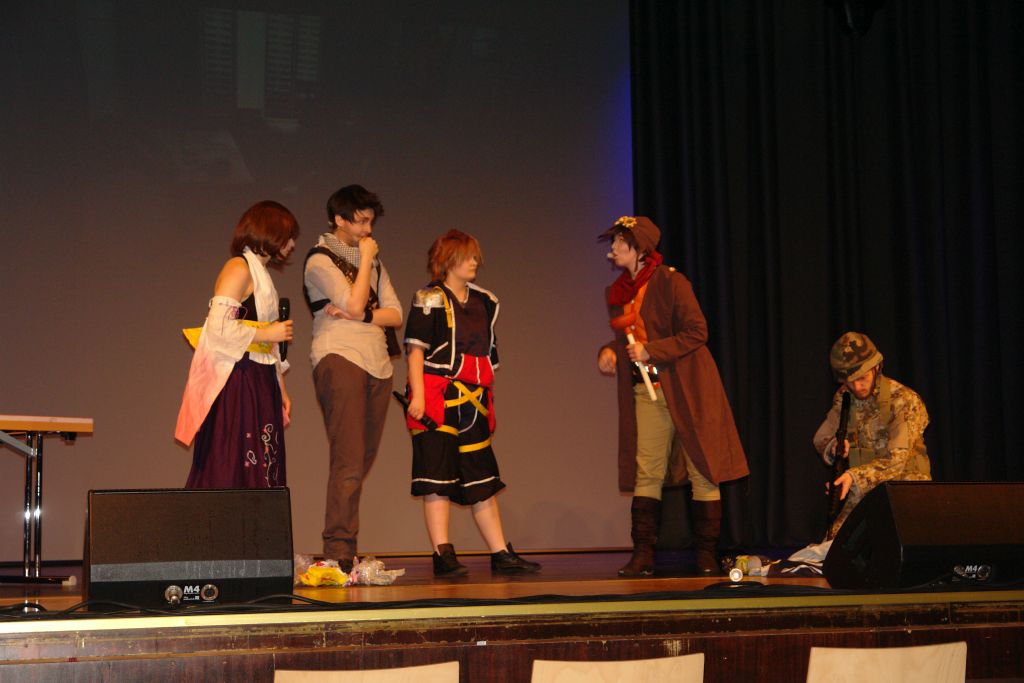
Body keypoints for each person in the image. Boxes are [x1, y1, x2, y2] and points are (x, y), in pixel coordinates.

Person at [597, 216, 749, 577]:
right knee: (647, 469)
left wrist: (652, 350)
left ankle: (706, 554)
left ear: (639, 249)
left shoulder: (671, 282)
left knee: (703, 468)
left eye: (619, 242)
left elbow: (697, 332)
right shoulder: (618, 292)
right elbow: (630, 337)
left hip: (688, 387)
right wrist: (610, 351)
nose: (612, 249)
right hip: (647, 390)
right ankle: (643, 555)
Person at [402, 229, 540, 577]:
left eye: (476, 256)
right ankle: (442, 553)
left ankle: (500, 552)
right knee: (437, 478)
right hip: (437, 397)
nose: (474, 262)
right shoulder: (429, 299)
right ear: (448, 261)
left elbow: (490, 357)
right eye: (467, 256)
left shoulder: (485, 302)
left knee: (482, 478)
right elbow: (415, 351)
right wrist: (418, 395)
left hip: (474, 400)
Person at [303, 184, 403, 571]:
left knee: (362, 459)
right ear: (339, 220)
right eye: (360, 221)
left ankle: (344, 547)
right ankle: (339, 551)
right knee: (348, 460)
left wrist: (361, 315)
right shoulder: (320, 260)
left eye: (371, 222)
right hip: (340, 356)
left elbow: (394, 314)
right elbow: (357, 300)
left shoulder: (373, 264)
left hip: (378, 364)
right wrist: (366, 263)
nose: (367, 230)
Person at [175, 200, 297, 488]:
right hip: (239, 378)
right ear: (269, 232)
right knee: (233, 461)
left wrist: (280, 386)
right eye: (287, 236)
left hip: (258, 378)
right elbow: (218, 327)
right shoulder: (239, 268)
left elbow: (266, 341)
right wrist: (268, 334)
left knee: (262, 463)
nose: (292, 244)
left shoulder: (260, 274)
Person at [814, 331, 931, 540]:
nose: (857, 387)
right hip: (864, 491)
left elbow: (897, 461)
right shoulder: (845, 397)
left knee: (896, 547)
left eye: (862, 378)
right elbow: (820, 438)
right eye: (850, 381)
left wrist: (853, 477)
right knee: (835, 547)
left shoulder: (904, 400)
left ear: (877, 367)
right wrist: (834, 447)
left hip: (905, 490)